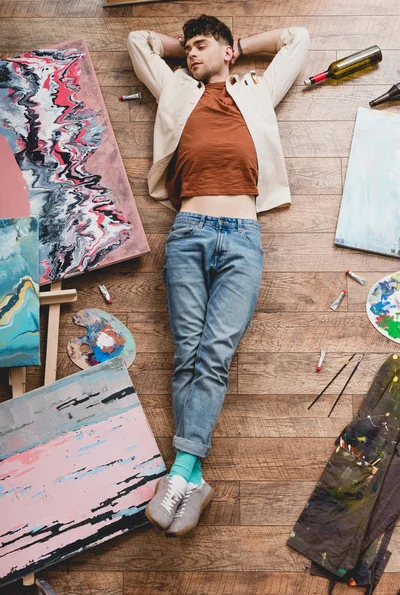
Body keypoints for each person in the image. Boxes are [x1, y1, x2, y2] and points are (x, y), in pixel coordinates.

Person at [128, 14, 309, 537]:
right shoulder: (176, 87)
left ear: (228, 51)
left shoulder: (257, 90)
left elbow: (298, 38)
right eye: (186, 48)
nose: (189, 54)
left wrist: (235, 50)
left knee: (215, 352)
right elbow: (137, 42)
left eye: (200, 46)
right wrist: (188, 50)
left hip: (243, 238)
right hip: (187, 231)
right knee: (189, 350)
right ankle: (192, 476)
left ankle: (182, 471)